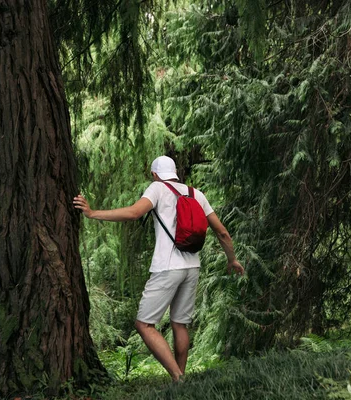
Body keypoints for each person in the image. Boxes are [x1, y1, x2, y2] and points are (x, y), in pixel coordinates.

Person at [73, 155, 244, 382]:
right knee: (179, 323)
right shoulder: (196, 194)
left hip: (167, 267)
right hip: (192, 267)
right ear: (174, 172)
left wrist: (93, 213)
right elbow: (222, 232)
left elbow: (134, 213)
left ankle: (177, 377)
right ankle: (180, 380)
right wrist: (232, 260)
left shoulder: (157, 188)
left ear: (155, 174)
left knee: (144, 324)